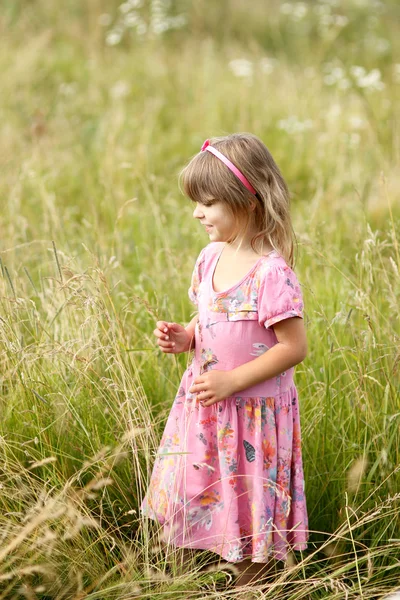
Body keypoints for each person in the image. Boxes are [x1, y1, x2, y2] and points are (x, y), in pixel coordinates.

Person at [140, 133, 309, 588]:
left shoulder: (271, 273)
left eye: (209, 202)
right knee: (195, 492)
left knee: (249, 505)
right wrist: (186, 336)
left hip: (251, 415)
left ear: (248, 200)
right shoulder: (209, 257)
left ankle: (252, 584)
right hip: (207, 407)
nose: (198, 212)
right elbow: (211, 319)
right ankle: (187, 573)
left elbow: (293, 347)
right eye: (197, 202)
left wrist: (233, 380)